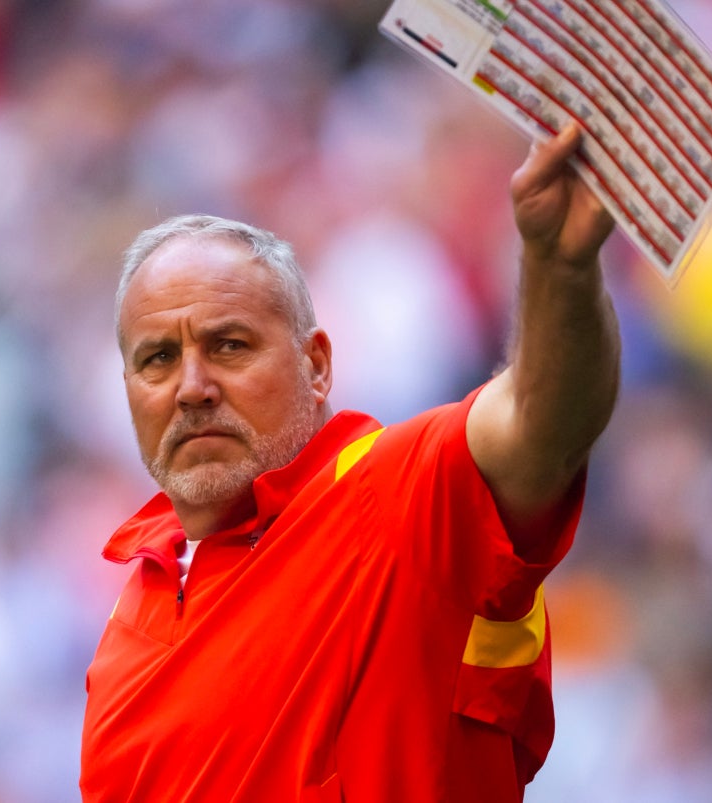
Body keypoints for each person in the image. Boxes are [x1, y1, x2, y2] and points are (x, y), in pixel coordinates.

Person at [80, 123, 620, 802]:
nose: (191, 386)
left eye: (229, 345)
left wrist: (561, 269)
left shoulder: (388, 499)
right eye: (157, 359)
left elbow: (545, 420)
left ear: (316, 365)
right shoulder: (122, 630)